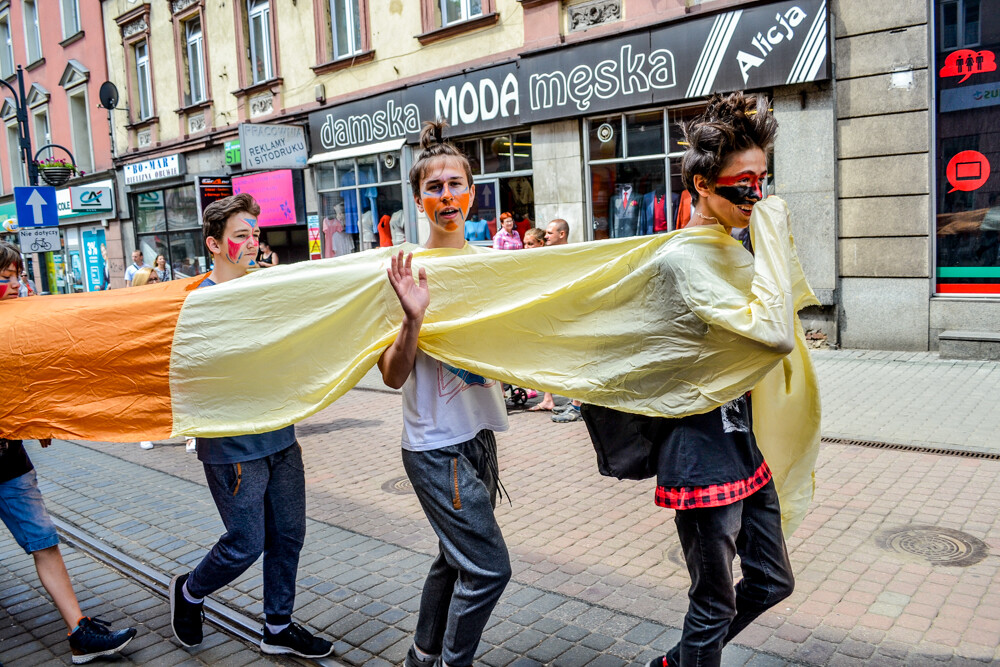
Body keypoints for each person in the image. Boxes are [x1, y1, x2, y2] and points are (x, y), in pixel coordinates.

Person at [645, 92, 794, 667]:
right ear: (703, 186)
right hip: (699, 452)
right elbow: (775, 334)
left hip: (741, 442)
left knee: (771, 580)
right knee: (712, 602)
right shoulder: (684, 257)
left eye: (764, 179)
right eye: (743, 182)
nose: (757, 195)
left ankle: (675, 663)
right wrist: (773, 234)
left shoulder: (729, 247)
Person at [168, 193, 332, 659]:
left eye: (255, 234)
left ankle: (277, 627)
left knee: (289, 536)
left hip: (281, 437)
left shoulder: (266, 288)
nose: (252, 243)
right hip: (233, 447)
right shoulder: (198, 303)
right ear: (214, 245)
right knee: (245, 544)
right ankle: (190, 592)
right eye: (241, 235)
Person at [380, 120, 511, 667]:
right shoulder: (403, 270)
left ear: (473, 193)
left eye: (456, 184)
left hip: (479, 437)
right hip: (436, 446)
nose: (447, 196)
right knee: (488, 568)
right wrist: (413, 320)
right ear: (419, 200)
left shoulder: (493, 266)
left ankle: (421, 655)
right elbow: (390, 374)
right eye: (434, 188)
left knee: (452, 560)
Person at [0, 241, 138, 664]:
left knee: (45, 542)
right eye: (6, 277)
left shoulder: (16, 323)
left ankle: (79, 631)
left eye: (16, 276)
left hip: (9, 464)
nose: (13, 285)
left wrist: (34, 420)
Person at [529, 219, 584, 421]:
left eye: (550, 233)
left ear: (562, 234)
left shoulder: (572, 255)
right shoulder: (553, 255)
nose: (545, 236)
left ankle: (577, 407)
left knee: (578, 360)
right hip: (560, 317)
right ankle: (575, 403)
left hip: (573, 317)